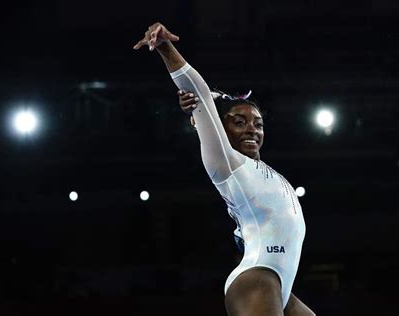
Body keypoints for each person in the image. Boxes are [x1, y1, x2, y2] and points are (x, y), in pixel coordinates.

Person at [134, 22, 315, 316]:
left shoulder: (263, 171)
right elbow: (200, 93)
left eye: (258, 123)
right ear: (222, 129)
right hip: (258, 279)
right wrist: (166, 48)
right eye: (239, 122)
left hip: (281, 287)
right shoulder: (228, 165)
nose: (252, 129)